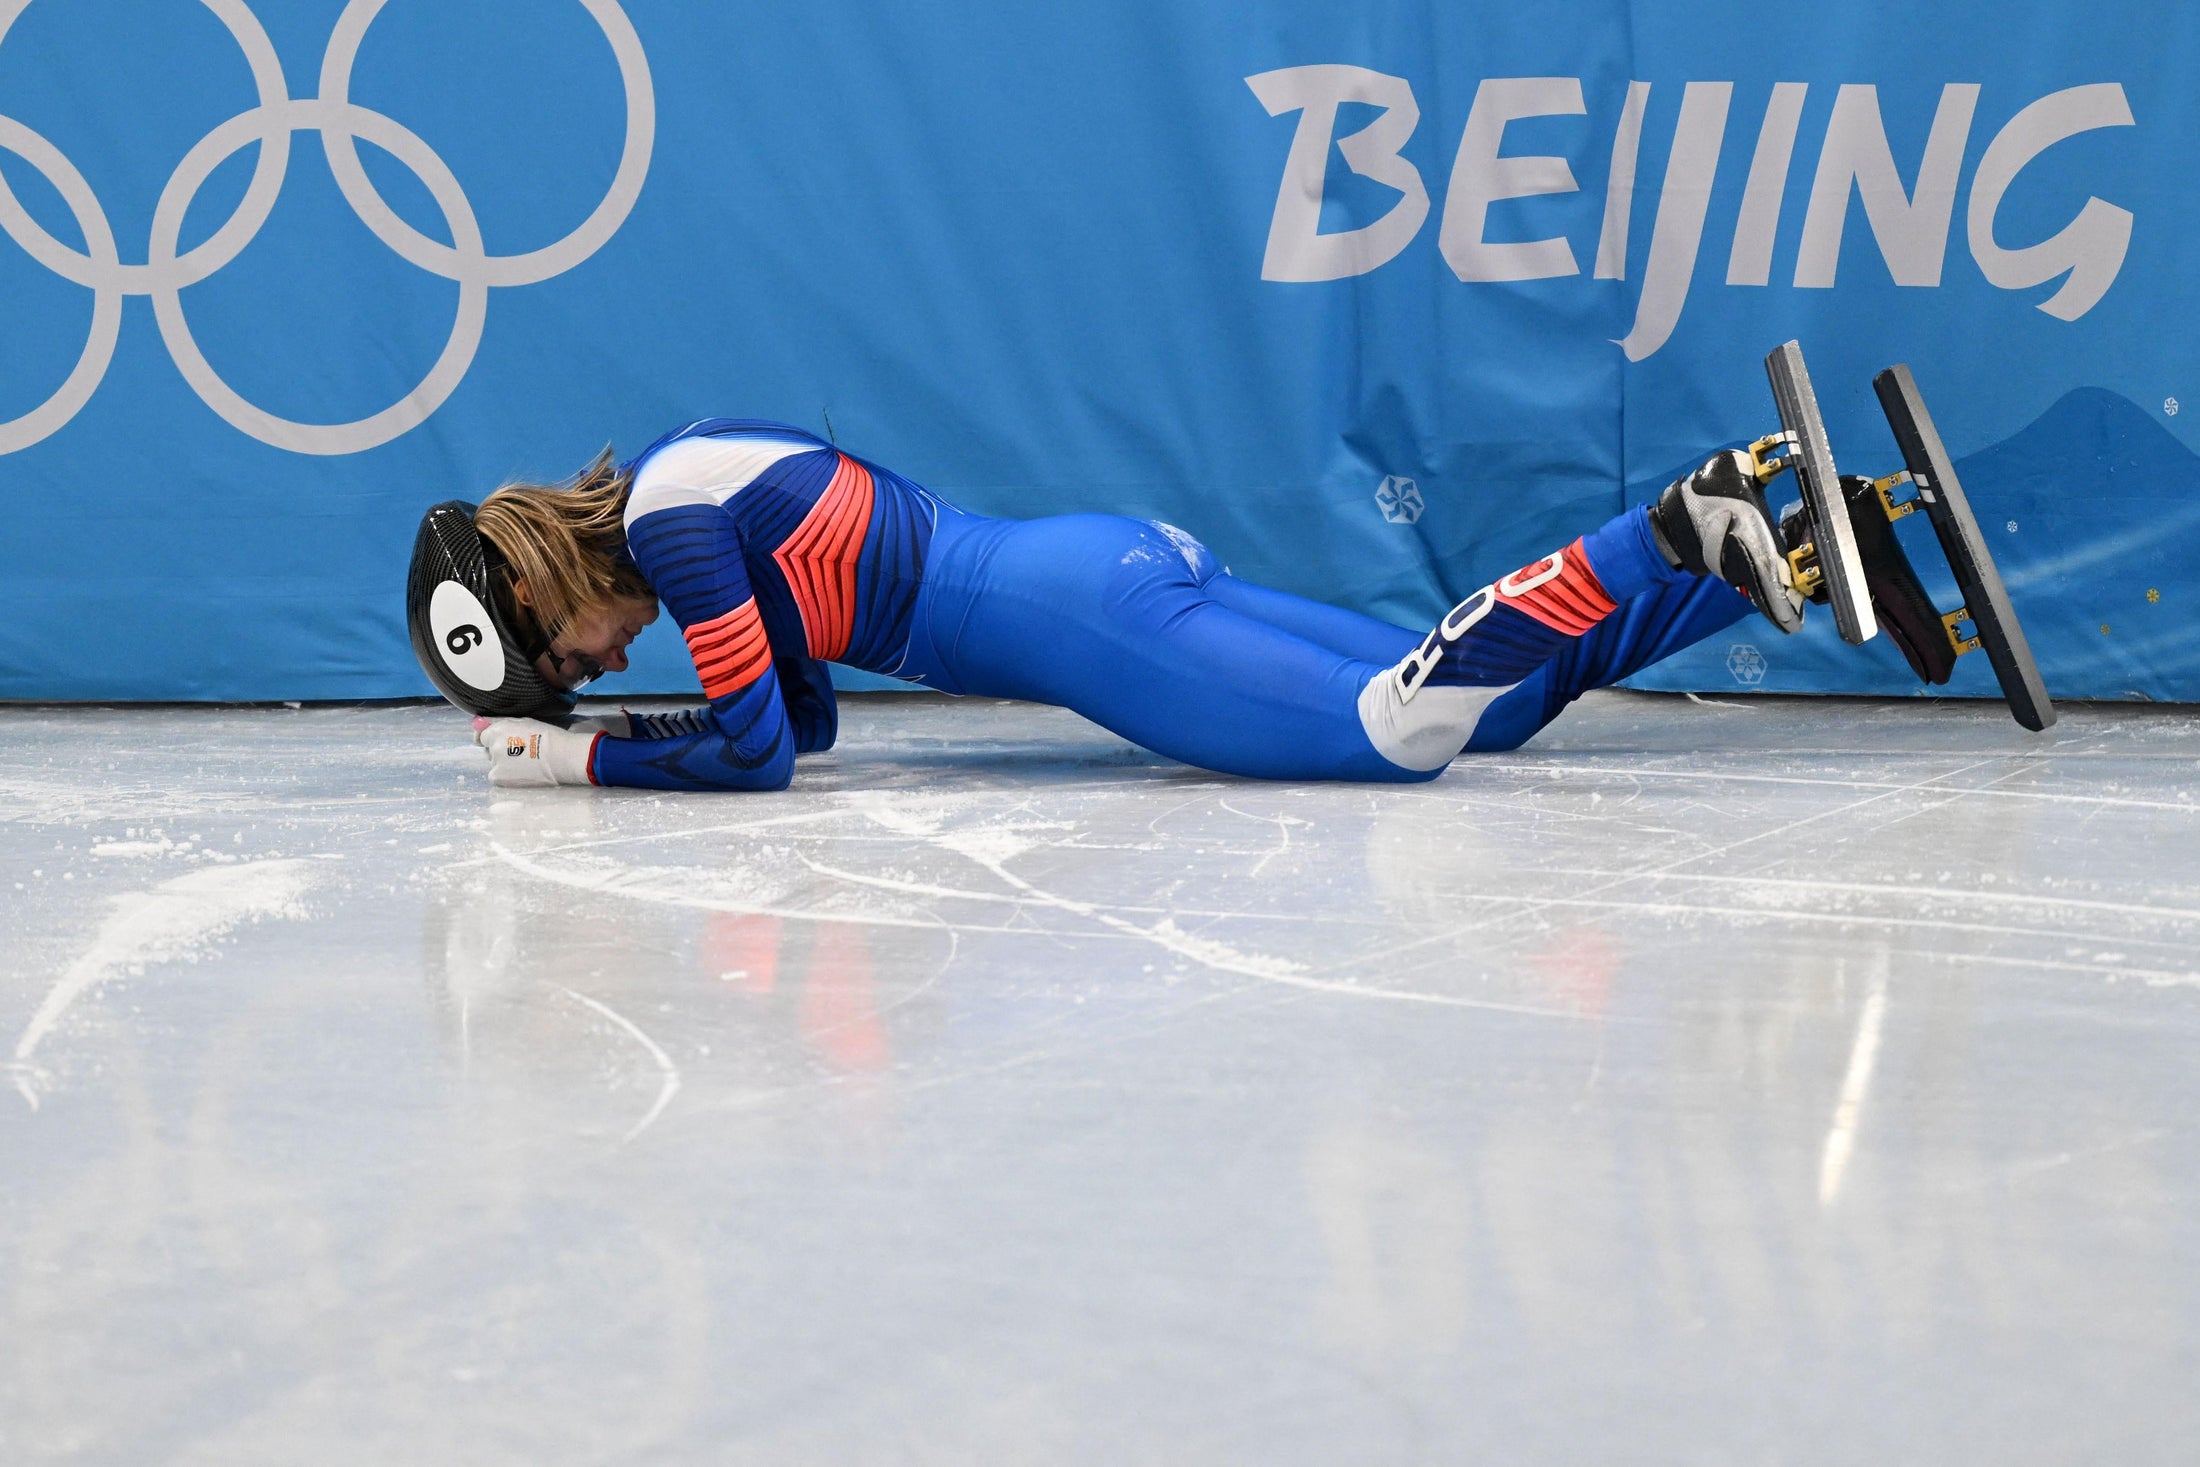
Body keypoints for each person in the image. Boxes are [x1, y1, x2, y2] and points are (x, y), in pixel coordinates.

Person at [405, 418, 1810, 791]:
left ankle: (1664, 527)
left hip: (1090, 625)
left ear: (534, 588)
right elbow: (806, 715)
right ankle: (1748, 553)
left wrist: (581, 758)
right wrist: (652, 731)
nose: (599, 663)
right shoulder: (686, 477)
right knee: (1493, 714)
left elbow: (759, 754)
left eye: (569, 663)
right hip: (1104, 563)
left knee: (1403, 737)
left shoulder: (672, 521)